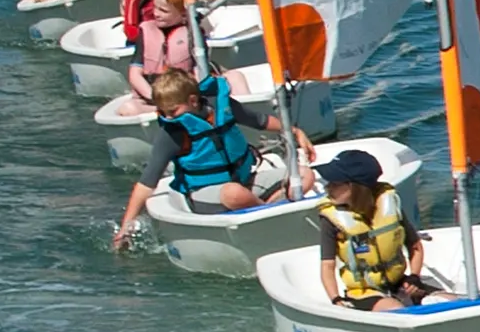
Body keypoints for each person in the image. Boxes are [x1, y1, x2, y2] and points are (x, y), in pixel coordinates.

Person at [112, 67, 293, 247]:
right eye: (163, 112)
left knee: (301, 175)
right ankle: (275, 219)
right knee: (234, 193)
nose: (168, 117)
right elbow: (146, 183)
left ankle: (262, 210)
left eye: (173, 111)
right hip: (206, 194)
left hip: (243, 181)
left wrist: (293, 131)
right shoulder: (172, 132)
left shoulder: (222, 107)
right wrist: (125, 227)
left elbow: (260, 120)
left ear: (193, 101)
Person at [312, 149, 434, 311]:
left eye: (335, 183)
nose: (328, 188)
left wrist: (414, 277)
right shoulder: (330, 219)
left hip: (399, 283)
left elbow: (415, 246)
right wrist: (336, 299)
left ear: (355, 187)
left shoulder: (389, 205)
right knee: (395, 309)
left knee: (446, 301)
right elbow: (327, 266)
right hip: (363, 293)